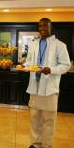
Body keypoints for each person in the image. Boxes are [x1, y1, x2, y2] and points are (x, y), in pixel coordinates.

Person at [23, 18, 71, 148]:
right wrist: (23, 66)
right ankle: (35, 144)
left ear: (51, 27)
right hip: (34, 87)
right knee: (34, 118)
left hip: (50, 89)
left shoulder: (59, 45)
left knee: (48, 120)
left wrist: (51, 70)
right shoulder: (33, 44)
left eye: (45, 26)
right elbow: (29, 61)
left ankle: (47, 145)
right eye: (40, 26)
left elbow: (66, 65)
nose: (42, 28)